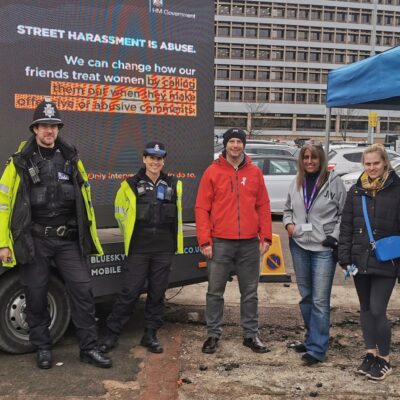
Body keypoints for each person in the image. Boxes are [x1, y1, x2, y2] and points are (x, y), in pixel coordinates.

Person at [0, 99, 112, 369]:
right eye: (43, 126)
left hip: (67, 240)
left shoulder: (71, 158)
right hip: (34, 239)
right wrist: (4, 243)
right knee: (35, 294)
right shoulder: (20, 162)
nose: (49, 131)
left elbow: (83, 198)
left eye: (53, 126)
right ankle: (43, 347)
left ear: (58, 129)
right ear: (35, 129)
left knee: (83, 291)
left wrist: (87, 235)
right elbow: (4, 203)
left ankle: (88, 348)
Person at [99, 142, 183, 354]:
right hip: (138, 248)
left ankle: (150, 334)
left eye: (159, 158)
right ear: (144, 159)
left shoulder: (173, 184)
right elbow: (120, 214)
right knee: (129, 292)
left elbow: (177, 216)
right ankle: (111, 334)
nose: (156, 162)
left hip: (164, 249)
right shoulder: (129, 184)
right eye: (151, 158)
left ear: (163, 161)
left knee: (157, 294)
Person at [195, 128, 272, 354]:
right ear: (225, 145)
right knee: (214, 291)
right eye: (232, 142)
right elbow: (202, 208)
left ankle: (250, 334)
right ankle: (213, 334)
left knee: (250, 292)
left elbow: (263, 206)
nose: (235, 146)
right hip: (220, 242)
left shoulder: (255, 173)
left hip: (249, 244)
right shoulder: (212, 172)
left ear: (244, 145)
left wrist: (265, 236)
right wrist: (205, 241)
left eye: (239, 141)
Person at [339, 144, 400, 381]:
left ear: (384, 162)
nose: (372, 167)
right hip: (359, 259)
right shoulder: (356, 191)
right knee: (365, 309)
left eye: (376, 163)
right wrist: (344, 257)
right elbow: (346, 227)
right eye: (367, 163)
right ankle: (370, 353)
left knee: (377, 309)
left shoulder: (396, 189)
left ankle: (384, 358)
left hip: (388, 261)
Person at [283, 144, 346, 365]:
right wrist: (289, 224)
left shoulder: (334, 183)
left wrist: (334, 236)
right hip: (299, 244)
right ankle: (311, 339)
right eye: (306, 157)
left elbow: (343, 214)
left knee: (320, 300)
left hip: (323, 249)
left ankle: (318, 349)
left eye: (314, 157)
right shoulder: (296, 181)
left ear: (321, 160)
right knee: (306, 297)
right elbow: (288, 209)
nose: (310, 161)